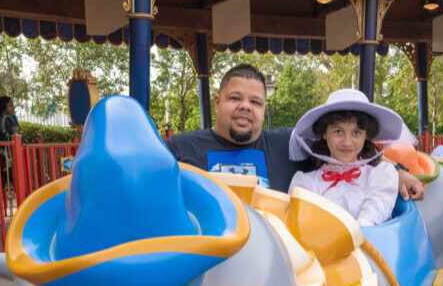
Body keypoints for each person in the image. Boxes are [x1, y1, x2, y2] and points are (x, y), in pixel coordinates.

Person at [166, 64, 424, 199]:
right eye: (235, 98)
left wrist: (398, 172)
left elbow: (348, 150)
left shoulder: (287, 143)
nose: (245, 106)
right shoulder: (179, 147)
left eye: (255, 102)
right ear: (217, 101)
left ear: (264, 109)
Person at [288, 89, 402, 227]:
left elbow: (369, 221)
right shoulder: (306, 184)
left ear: (366, 135)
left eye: (356, 132)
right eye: (338, 131)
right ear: (324, 133)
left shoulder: (381, 176)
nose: (347, 142)